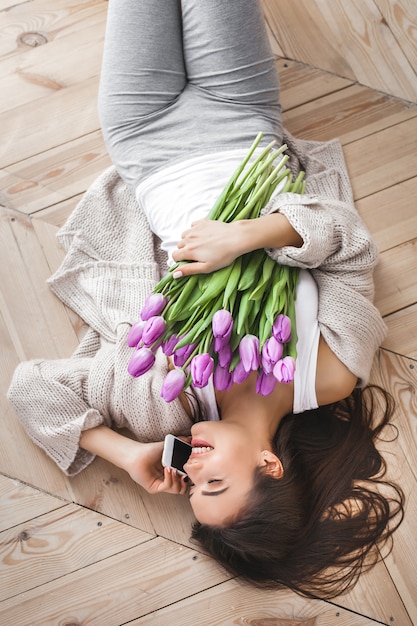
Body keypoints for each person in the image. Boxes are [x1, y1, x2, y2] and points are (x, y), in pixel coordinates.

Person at [7, 0, 403, 599]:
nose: (191, 471)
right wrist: (243, 236)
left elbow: (31, 389)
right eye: (212, 484)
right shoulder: (327, 376)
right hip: (242, 120)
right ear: (270, 466)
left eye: (192, 490)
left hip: (144, 139)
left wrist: (122, 451)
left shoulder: (163, 406)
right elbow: (348, 243)